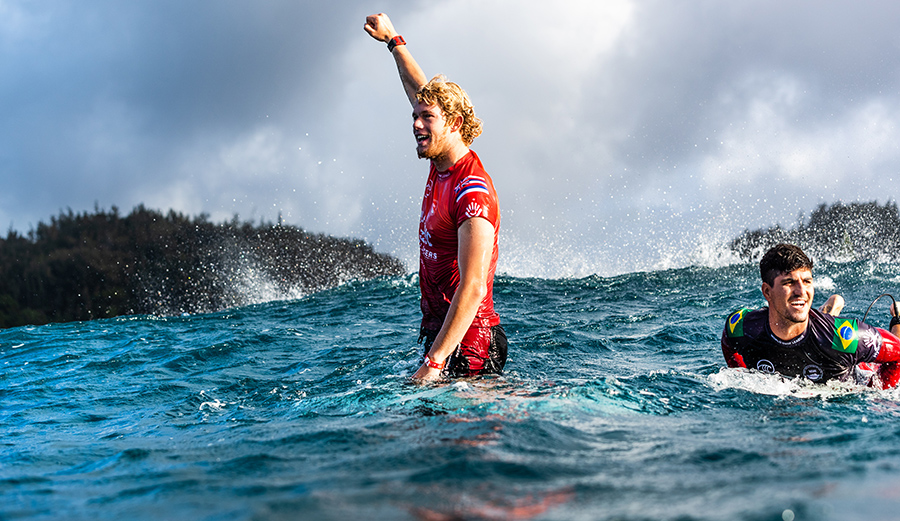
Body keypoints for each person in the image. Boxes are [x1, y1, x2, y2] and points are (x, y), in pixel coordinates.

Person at [364, 13, 507, 381]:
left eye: (426, 117)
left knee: (457, 436)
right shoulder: (441, 162)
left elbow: (473, 287)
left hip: (469, 347)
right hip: (441, 336)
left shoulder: (471, 190)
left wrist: (434, 363)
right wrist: (393, 41)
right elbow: (419, 89)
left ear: (454, 123)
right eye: (415, 115)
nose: (415, 123)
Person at [721, 243, 900, 389]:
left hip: (853, 367)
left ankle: (897, 315)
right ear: (767, 292)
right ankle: (829, 310)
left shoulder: (847, 337)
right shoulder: (743, 327)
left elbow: (898, 355)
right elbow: (729, 344)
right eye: (789, 283)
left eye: (807, 281)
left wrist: (872, 392)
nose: (801, 291)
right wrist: (745, 378)